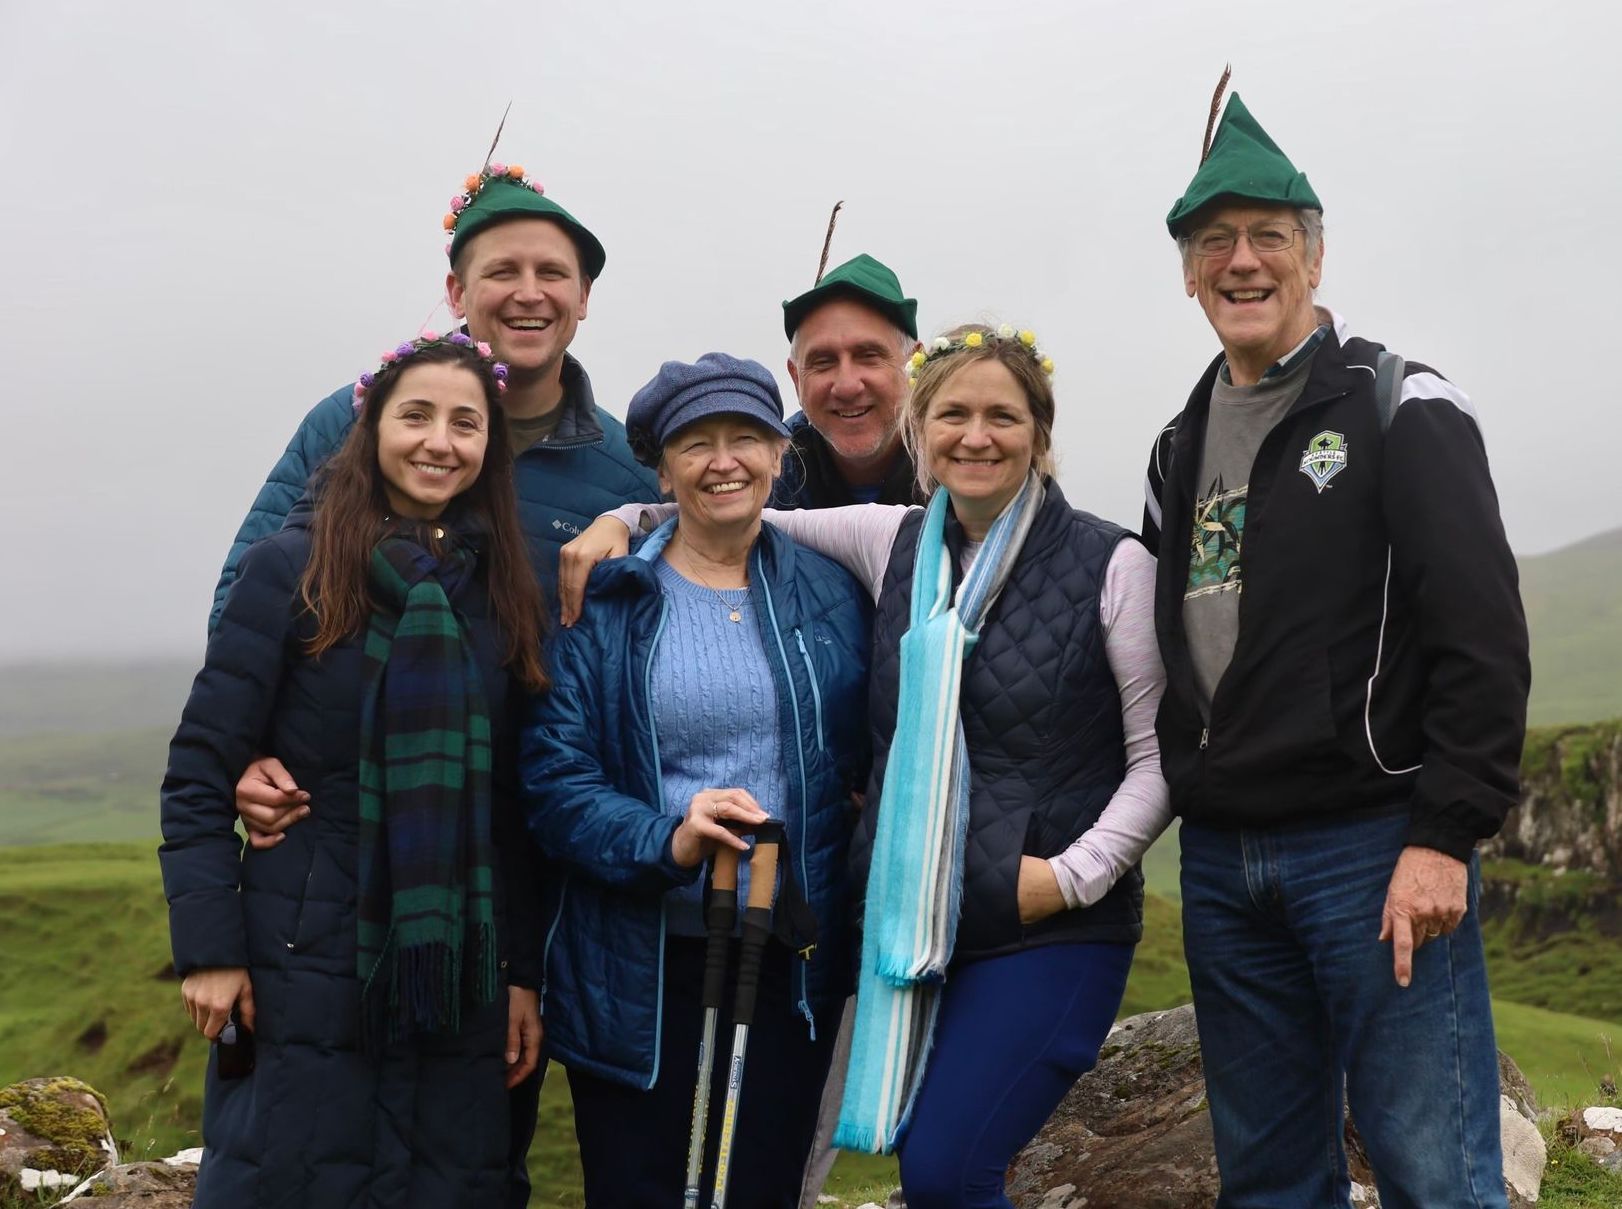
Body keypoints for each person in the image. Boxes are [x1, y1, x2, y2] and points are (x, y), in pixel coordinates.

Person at [568, 324, 1171, 1208]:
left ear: (1039, 433)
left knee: (946, 1168)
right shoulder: (889, 539)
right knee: (921, 1167)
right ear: (918, 433)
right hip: (912, 921)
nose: (976, 435)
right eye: (953, 414)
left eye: (1002, 415)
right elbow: (732, 504)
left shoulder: (1113, 563)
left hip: (1048, 923)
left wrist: (1073, 877)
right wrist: (620, 517)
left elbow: (1161, 756)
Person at [216, 163, 661, 1205]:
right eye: (498, 269)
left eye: (553, 272)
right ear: (455, 290)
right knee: (314, 1127)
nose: (527, 292)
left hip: (529, 855)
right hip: (357, 843)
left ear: (585, 297)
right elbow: (250, 588)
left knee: (475, 1134)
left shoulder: (624, 472)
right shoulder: (355, 416)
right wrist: (250, 752)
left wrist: (636, 519)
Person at [1143, 85, 1531, 1207]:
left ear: (1314, 256)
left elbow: (1480, 633)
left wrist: (1442, 835)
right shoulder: (1178, 446)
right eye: (1213, 242)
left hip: (1370, 853)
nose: (1241, 262)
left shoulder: (1398, 405)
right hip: (1222, 861)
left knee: (1432, 1170)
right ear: (1185, 272)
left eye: (1268, 236)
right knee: (1265, 1179)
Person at [159, 336, 548, 1208]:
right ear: (371, 427)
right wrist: (211, 953)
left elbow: (506, 808)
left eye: (465, 422)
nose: (438, 441)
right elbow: (196, 776)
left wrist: (521, 971)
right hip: (302, 960)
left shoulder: (499, 594)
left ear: (490, 445)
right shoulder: (291, 570)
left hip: (458, 971)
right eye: (415, 415)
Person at [519, 353, 872, 1207]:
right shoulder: (601, 599)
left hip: (784, 957)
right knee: (641, 1189)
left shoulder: (832, 590)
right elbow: (554, 781)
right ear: (660, 467)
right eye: (697, 443)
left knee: (757, 1189)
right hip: (641, 962)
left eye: (747, 437)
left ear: (780, 454)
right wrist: (668, 836)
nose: (725, 461)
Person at [775, 253, 926, 509]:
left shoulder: (959, 462)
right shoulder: (769, 479)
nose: (847, 386)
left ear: (915, 366)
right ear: (796, 379)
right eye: (823, 361)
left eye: (868, 356)